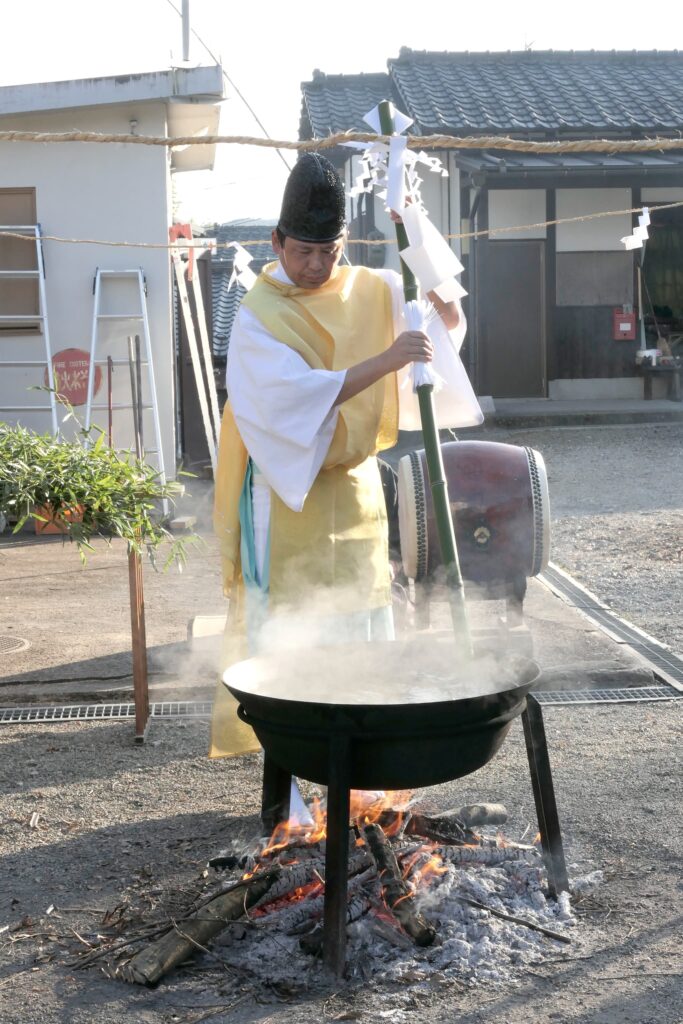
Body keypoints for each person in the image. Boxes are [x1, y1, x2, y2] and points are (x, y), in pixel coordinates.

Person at [209, 153, 481, 759]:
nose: (313, 265)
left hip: (355, 488)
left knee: (358, 620)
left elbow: (448, 320)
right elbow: (287, 400)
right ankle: (285, 780)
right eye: (302, 251)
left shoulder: (372, 290)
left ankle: (356, 770)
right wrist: (385, 361)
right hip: (285, 491)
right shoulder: (260, 314)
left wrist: (412, 230)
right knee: (288, 633)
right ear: (277, 242)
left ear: (344, 244)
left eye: (327, 252)